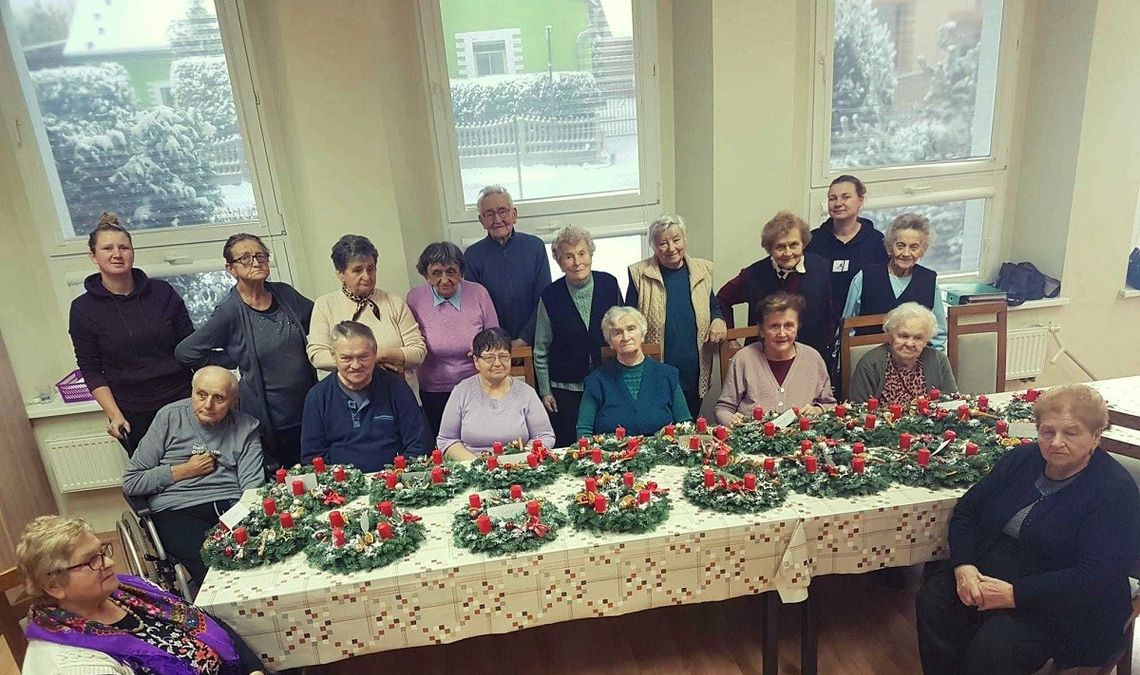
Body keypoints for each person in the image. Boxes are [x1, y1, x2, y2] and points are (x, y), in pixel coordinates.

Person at [916, 384, 1140, 675]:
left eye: (1070, 433)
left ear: (1095, 437)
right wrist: (965, 567)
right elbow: (967, 512)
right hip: (989, 569)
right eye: (1047, 432)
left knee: (995, 648)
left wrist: (1016, 594)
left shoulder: (1114, 491)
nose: (1056, 442)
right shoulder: (1021, 459)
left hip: (1061, 598)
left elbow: (1097, 575)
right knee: (935, 601)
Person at [17, 515, 266, 674]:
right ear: (53, 586)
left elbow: (209, 622)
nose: (110, 563)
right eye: (91, 561)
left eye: (102, 551)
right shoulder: (75, 665)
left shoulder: (128, 591)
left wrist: (254, 670)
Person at [175, 233, 315, 468]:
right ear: (231, 268)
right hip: (271, 420)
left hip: (307, 409)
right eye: (246, 258)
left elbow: (319, 320)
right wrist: (235, 356)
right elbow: (186, 352)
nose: (257, 262)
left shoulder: (285, 294)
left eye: (261, 255)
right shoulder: (229, 310)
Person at [121, 367, 265, 588]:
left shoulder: (246, 427)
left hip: (229, 504)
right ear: (192, 392)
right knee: (211, 565)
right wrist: (185, 470)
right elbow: (132, 482)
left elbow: (251, 489)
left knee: (255, 552)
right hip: (176, 508)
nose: (208, 405)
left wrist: (242, 515)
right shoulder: (169, 417)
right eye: (201, 395)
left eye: (218, 398)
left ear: (234, 401)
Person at [68, 212, 193, 456]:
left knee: (205, 470)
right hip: (134, 412)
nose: (117, 254)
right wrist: (115, 416)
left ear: (132, 252)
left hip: (183, 401)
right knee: (156, 482)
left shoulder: (162, 292)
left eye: (124, 247)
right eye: (107, 248)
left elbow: (191, 346)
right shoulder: (83, 309)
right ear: (93, 256)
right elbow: (91, 370)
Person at [626, 214, 726, 418]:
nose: (671, 248)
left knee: (688, 423)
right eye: (662, 243)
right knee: (659, 424)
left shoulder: (702, 270)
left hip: (694, 366)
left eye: (676, 240)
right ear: (653, 246)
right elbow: (629, 317)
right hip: (657, 365)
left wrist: (718, 319)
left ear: (685, 239)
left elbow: (714, 306)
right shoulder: (639, 273)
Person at [533, 225, 624, 447]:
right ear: (559, 261)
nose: (577, 262)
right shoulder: (550, 295)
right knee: (572, 446)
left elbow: (623, 333)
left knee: (609, 444)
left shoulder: (609, 284)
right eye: (568, 256)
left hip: (607, 382)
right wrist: (545, 391)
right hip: (565, 390)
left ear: (590, 254)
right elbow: (540, 350)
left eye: (582, 253)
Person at [300, 320, 431, 472]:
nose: (355, 365)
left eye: (363, 357)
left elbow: (419, 445)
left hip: (394, 482)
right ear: (333, 356)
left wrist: (395, 477)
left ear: (375, 353)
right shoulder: (317, 398)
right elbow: (312, 457)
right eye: (346, 358)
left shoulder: (397, 389)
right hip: (340, 488)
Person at [716, 210, 835, 371]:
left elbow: (829, 314)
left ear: (803, 243)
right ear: (769, 248)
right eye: (780, 246)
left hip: (812, 359)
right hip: (763, 362)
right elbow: (722, 299)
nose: (788, 253)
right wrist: (731, 338)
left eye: (794, 245)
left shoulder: (821, 267)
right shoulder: (753, 274)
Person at [406, 242, 498, 436]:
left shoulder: (478, 293)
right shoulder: (415, 297)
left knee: (478, 439)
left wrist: (483, 350)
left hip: (476, 385)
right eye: (436, 273)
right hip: (432, 389)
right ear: (426, 275)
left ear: (461, 272)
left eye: (451, 271)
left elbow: (493, 337)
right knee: (442, 442)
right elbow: (409, 339)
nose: (445, 279)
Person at [307, 234, 427, 376]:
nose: (367, 276)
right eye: (358, 270)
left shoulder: (394, 302)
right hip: (347, 394)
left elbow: (418, 352)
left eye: (370, 269)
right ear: (340, 274)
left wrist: (378, 355)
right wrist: (367, 360)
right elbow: (317, 356)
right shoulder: (325, 305)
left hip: (397, 391)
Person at [715, 292, 835, 425]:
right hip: (753, 440)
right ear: (761, 330)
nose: (782, 333)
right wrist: (731, 421)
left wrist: (817, 410)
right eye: (774, 326)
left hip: (802, 440)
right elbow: (723, 408)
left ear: (797, 327)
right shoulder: (743, 359)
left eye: (789, 325)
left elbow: (829, 404)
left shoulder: (813, 358)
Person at [576, 306, 692, 438]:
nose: (625, 337)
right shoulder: (596, 381)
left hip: (663, 453)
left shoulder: (668, 375)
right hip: (612, 455)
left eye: (631, 329)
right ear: (610, 343)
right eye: (617, 333)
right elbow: (584, 431)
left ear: (642, 335)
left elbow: (685, 425)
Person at [437, 328, 555, 457]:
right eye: (489, 358)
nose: (497, 363)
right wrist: (476, 464)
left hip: (519, 466)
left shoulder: (527, 393)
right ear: (476, 361)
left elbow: (545, 436)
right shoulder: (461, 392)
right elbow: (447, 440)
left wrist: (521, 457)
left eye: (503, 356)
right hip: (471, 467)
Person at [842, 212, 947, 350]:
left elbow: (938, 335)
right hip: (870, 360)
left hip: (913, 362)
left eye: (914, 247)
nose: (906, 253)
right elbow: (847, 328)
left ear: (923, 250)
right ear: (889, 247)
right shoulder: (864, 277)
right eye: (900, 245)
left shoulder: (929, 281)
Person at [463, 185, 552, 344]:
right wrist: (497, 343)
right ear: (481, 220)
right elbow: (475, 309)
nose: (497, 220)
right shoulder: (472, 256)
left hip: (536, 340)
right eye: (489, 214)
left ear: (514, 214)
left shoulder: (535, 247)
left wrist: (524, 339)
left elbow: (544, 298)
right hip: (493, 346)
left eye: (502, 211)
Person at [804, 175, 888, 326]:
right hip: (819, 325)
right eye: (832, 198)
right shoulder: (813, 240)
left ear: (860, 200)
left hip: (861, 325)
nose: (838, 203)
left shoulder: (877, 241)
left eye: (845, 197)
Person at [848, 302, 957, 405]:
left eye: (918, 338)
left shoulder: (938, 360)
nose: (910, 343)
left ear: (926, 341)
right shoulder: (870, 364)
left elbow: (952, 404)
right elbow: (859, 410)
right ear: (890, 336)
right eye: (903, 336)